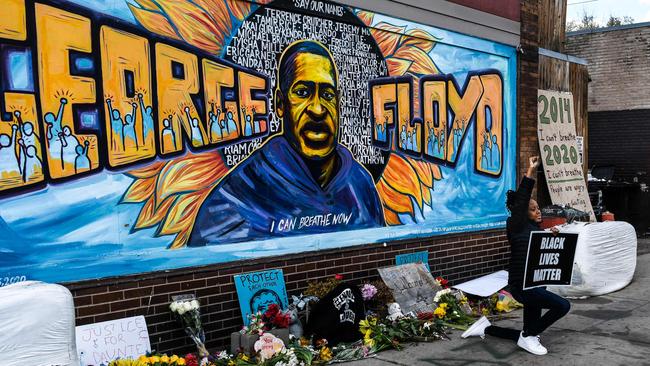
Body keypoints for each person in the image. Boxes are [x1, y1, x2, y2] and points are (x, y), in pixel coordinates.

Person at [188, 40, 385, 246]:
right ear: (280, 104)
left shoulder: (360, 183)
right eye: (302, 93)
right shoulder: (236, 198)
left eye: (327, 95)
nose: (318, 109)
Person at [462, 156, 571, 355]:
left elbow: (532, 243)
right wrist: (531, 171)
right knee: (563, 306)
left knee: (528, 327)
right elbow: (522, 200)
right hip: (522, 284)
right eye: (532, 209)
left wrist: (549, 236)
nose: (538, 212)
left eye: (538, 208)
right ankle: (529, 337)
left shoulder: (532, 228)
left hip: (536, 281)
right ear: (521, 212)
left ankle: (487, 328)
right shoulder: (516, 224)